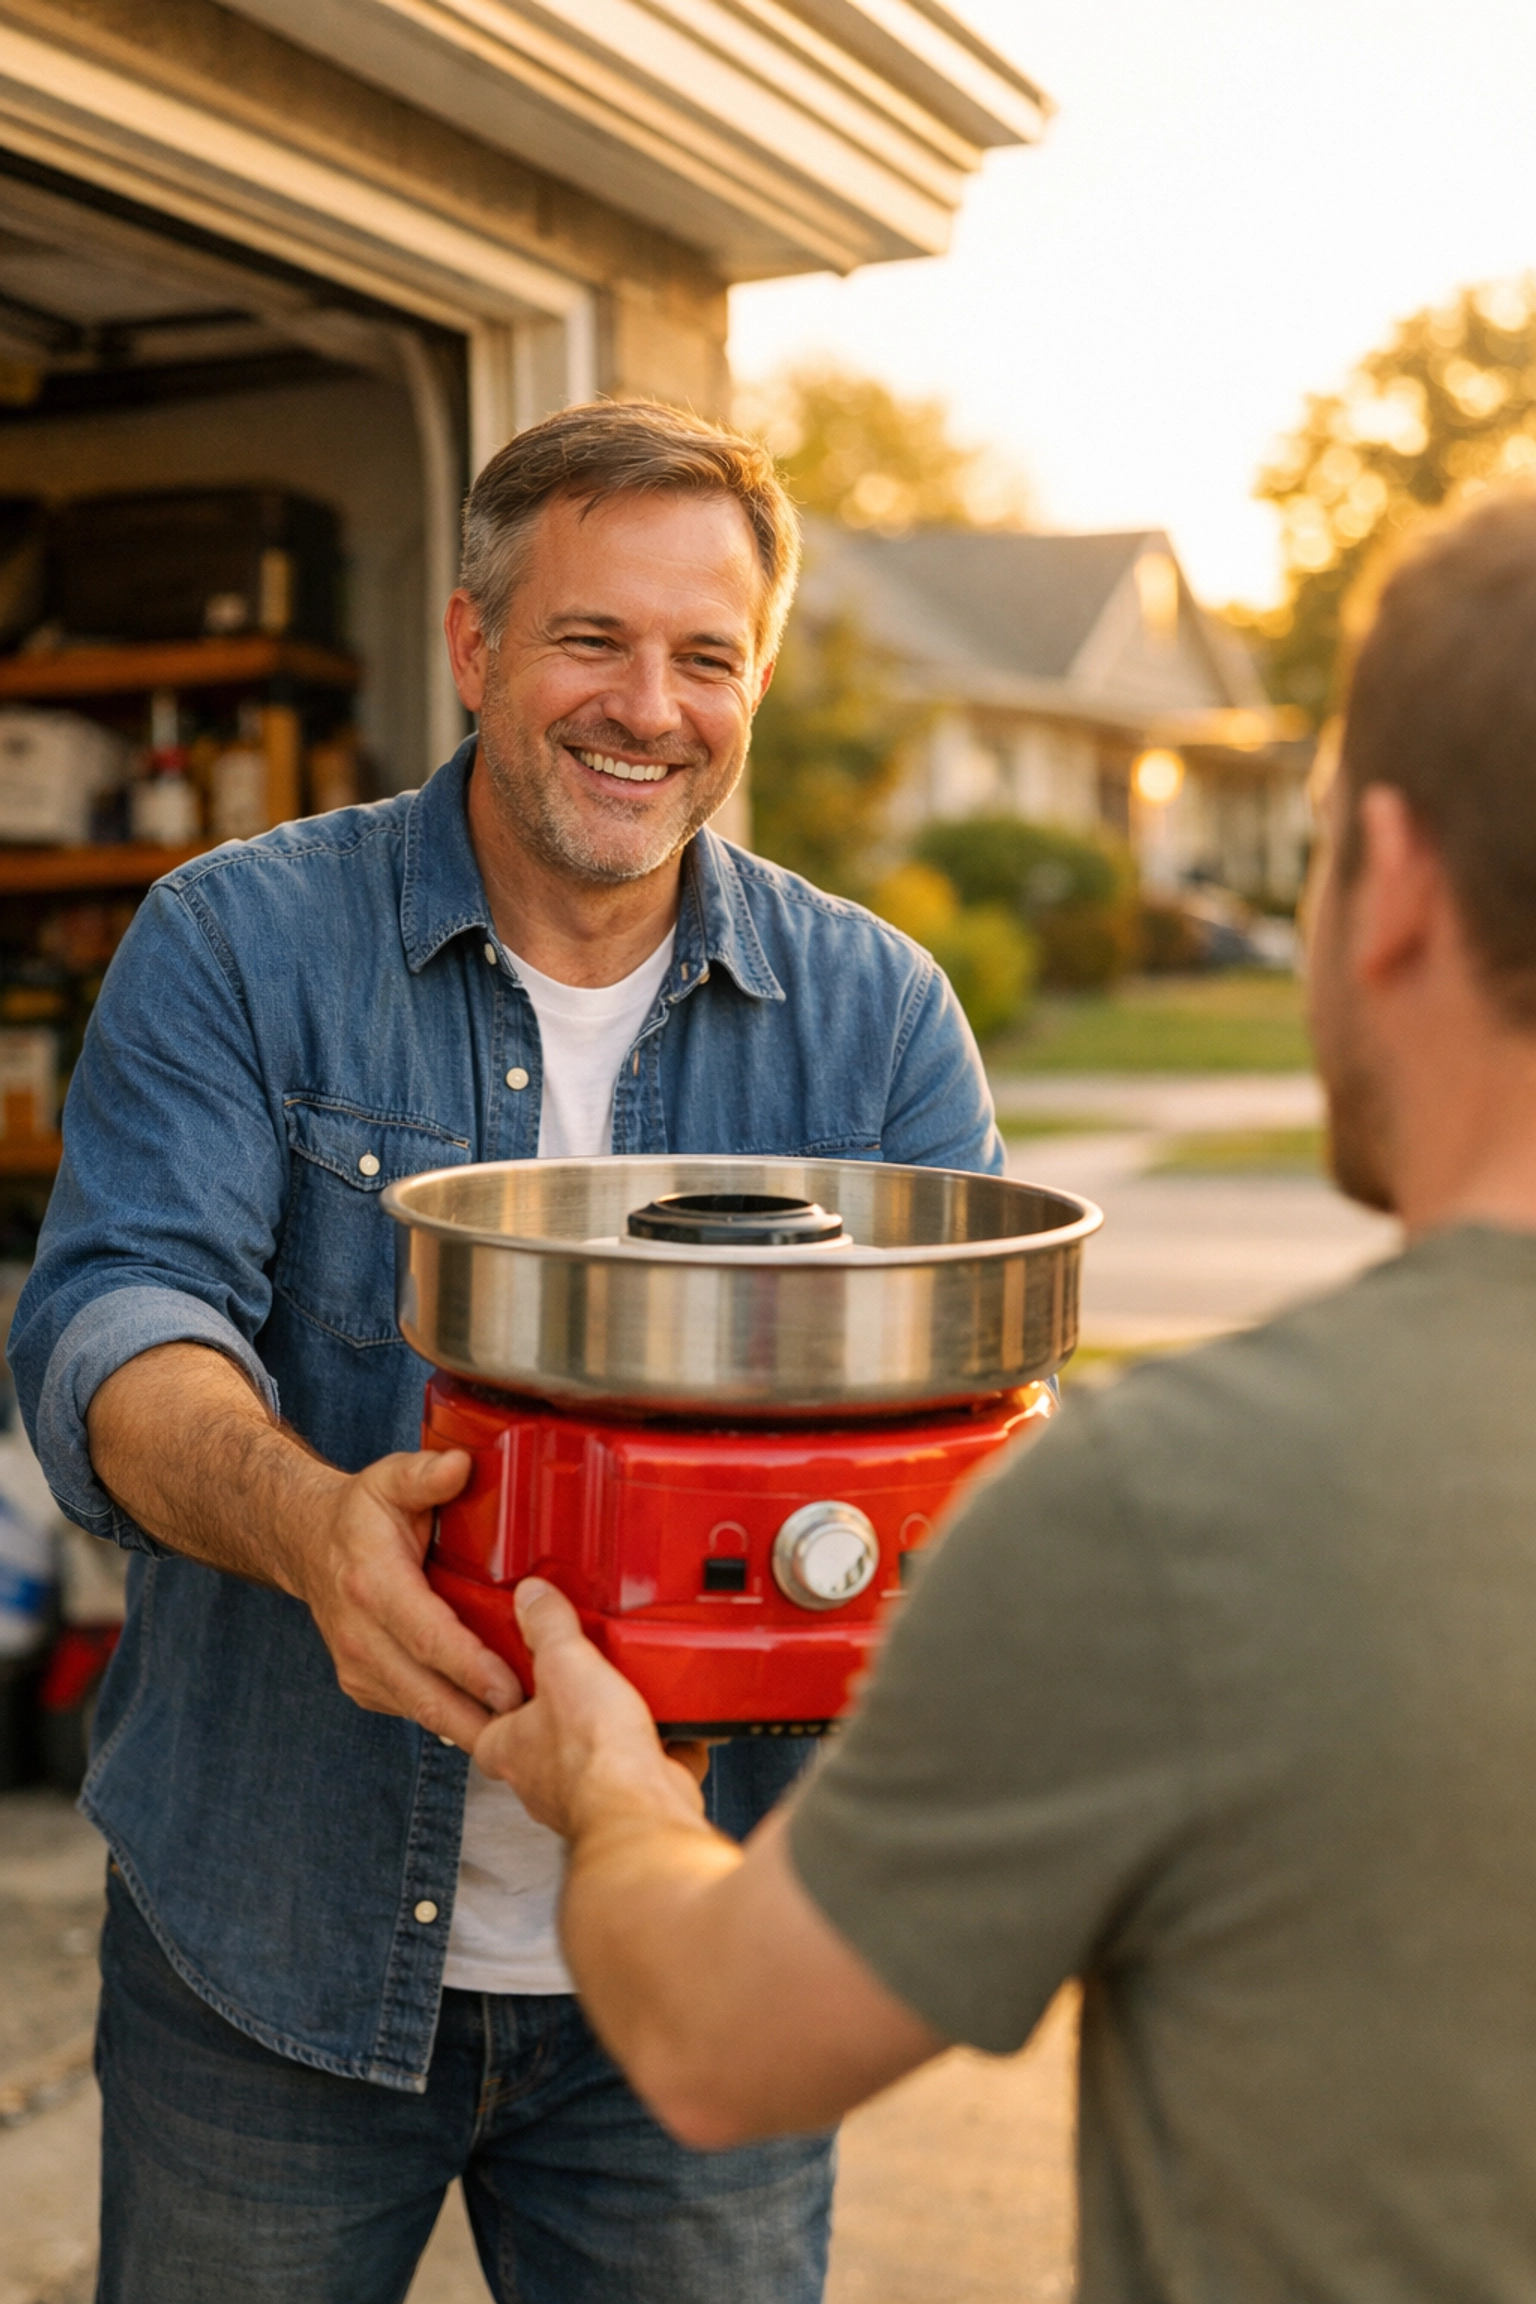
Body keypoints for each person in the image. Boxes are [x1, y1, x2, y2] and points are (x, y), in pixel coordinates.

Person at [475, 482, 1536, 2303]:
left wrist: (617, 1784)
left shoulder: (1185, 1508)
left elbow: (723, 2046)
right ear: (476, 646)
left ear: (1395, 881)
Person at [9, 400, 1002, 2304]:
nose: (650, 706)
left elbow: (966, 1446)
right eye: (590, 640)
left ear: (755, 680)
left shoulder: (877, 1021)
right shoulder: (235, 942)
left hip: (700, 1980)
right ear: (474, 647)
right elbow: (115, 1318)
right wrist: (314, 1529)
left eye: (707, 657)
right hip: (268, 1948)